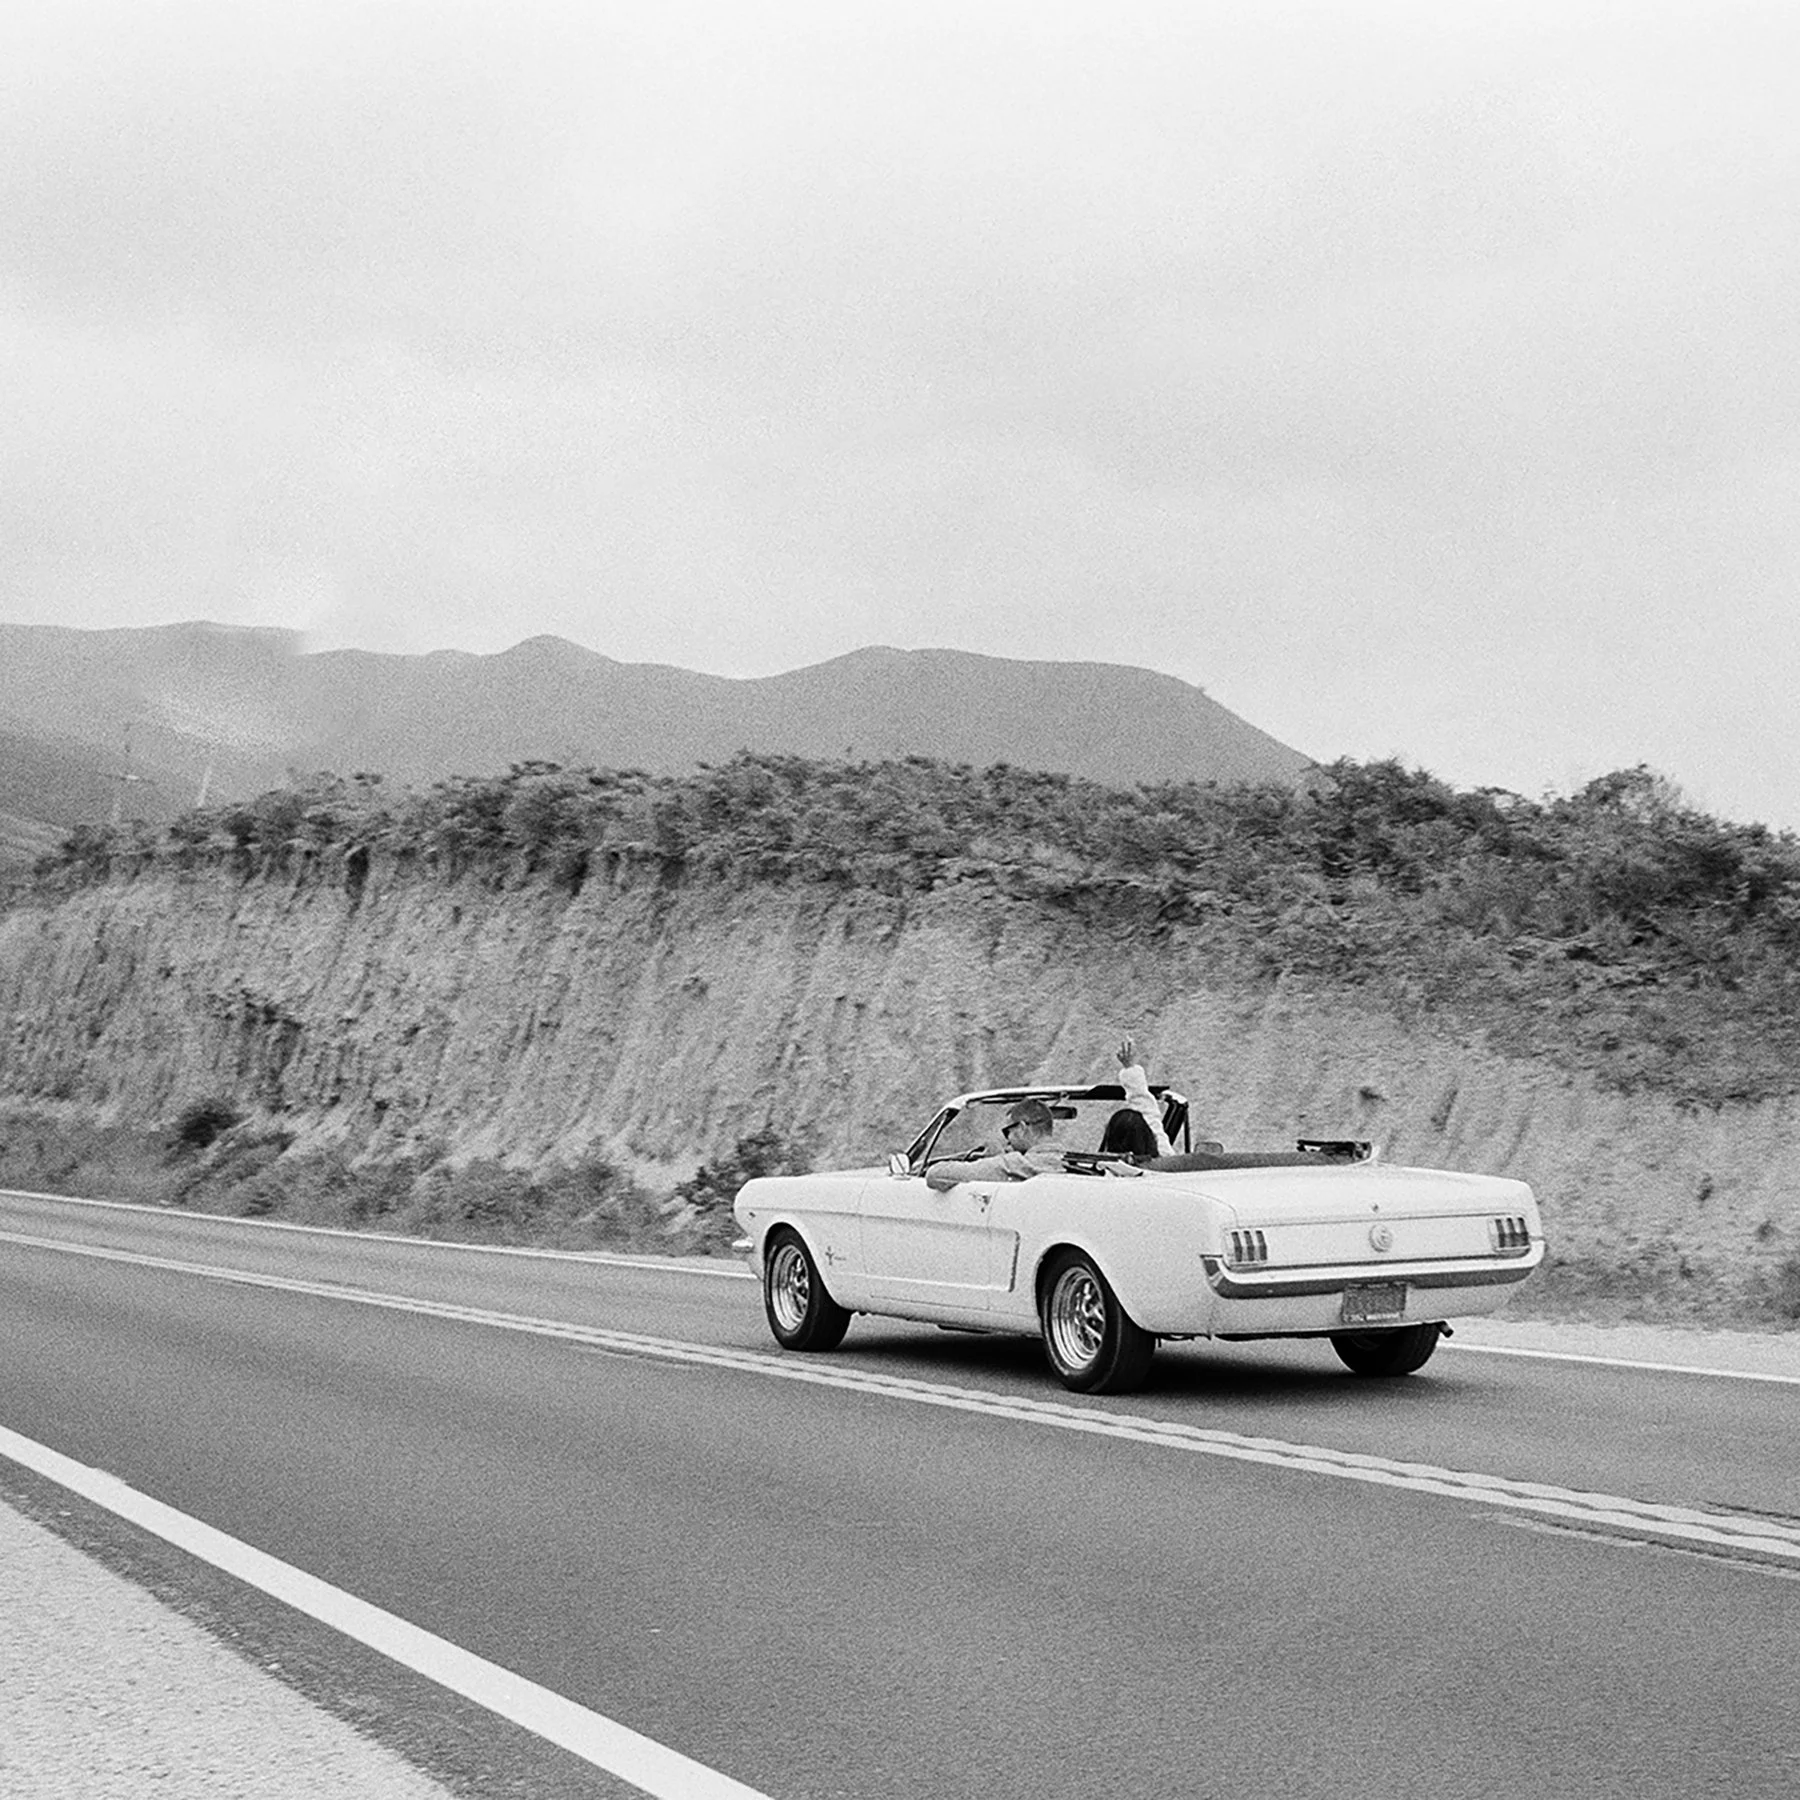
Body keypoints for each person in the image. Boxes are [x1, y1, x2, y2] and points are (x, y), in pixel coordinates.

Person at [926, 1097, 1065, 1190]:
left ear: (1022, 1128)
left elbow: (936, 1174)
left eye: (1007, 1132)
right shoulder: (1068, 1162)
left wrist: (995, 1160)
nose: (1007, 1140)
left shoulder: (1014, 1165)